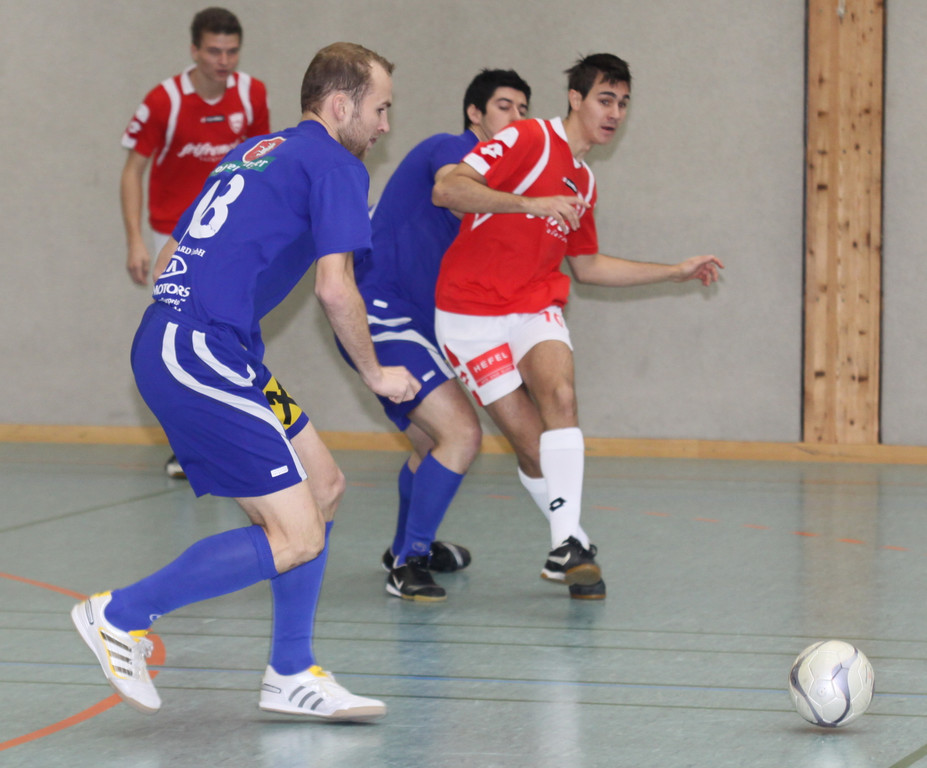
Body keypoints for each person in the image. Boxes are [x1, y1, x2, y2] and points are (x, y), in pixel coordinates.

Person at [72, 42, 419, 721]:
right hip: (197, 348)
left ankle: (290, 672)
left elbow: (175, 253)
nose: (385, 125)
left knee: (323, 488)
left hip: (209, 346)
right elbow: (335, 288)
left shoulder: (256, 150)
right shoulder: (337, 166)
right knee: (295, 536)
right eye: (380, 110)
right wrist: (377, 372)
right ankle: (120, 614)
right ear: (340, 105)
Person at [432, 53, 724, 600]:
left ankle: (565, 545)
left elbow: (587, 266)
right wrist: (530, 203)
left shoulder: (585, 181)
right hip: (469, 314)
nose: (615, 113)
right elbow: (447, 190)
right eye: (604, 100)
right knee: (531, 448)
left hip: (532, 304)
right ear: (575, 98)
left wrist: (674, 271)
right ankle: (575, 543)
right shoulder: (527, 137)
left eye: (623, 104)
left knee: (561, 395)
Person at [340, 69, 531, 602]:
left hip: (421, 325)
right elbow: (453, 188)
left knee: (432, 442)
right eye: (504, 106)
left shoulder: (495, 190)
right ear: (475, 113)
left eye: (524, 111)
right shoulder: (451, 150)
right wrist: (529, 202)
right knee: (462, 435)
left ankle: (404, 545)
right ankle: (410, 561)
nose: (516, 118)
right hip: (382, 310)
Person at [119, 7, 270, 479]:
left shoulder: (252, 94)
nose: (223, 61)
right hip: (173, 235)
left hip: (229, 237)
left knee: (233, 332)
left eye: (232, 51)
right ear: (194, 50)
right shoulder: (163, 101)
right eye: (213, 51)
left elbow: (262, 163)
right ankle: (186, 446)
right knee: (180, 337)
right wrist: (135, 241)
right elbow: (132, 171)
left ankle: (236, 434)